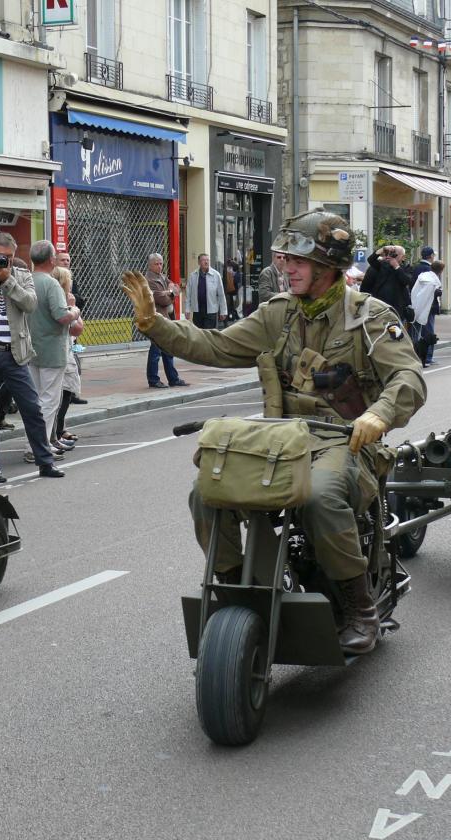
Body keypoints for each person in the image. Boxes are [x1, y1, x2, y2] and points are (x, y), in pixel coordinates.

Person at [121, 208, 426, 655]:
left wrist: (379, 414)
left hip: (346, 440)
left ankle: (359, 607)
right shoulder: (278, 314)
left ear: (327, 267)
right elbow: (217, 345)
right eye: (284, 259)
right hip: (282, 439)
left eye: (298, 261)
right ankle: (233, 589)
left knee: (320, 495)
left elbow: (409, 378)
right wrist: (155, 325)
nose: (286, 268)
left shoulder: (370, 317)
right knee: (206, 491)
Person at [0, 233, 65, 482]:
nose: (3, 261)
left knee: (32, 409)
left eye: (8, 257)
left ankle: (45, 461)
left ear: (15, 255)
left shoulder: (22, 276)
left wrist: (7, 281)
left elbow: (30, 304)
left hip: (15, 355)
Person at [25, 241, 81, 461]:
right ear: (51, 260)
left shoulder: (27, 280)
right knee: (49, 401)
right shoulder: (51, 284)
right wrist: (74, 310)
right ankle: (38, 447)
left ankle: (36, 444)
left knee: (35, 400)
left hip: (31, 348)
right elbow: (62, 316)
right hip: (51, 349)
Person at [145, 252, 186, 388]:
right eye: (156, 264)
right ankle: (153, 380)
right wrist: (170, 293)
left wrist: (170, 291)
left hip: (166, 318)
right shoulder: (149, 280)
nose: (159, 266)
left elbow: (176, 287)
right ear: (150, 265)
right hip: (156, 318)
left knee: (168, 350)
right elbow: (160, 299)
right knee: (156, 351)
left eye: (161, 263)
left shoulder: (162, 277)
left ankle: (173, 379)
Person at [53, 266, 83, 446]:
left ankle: (58, 430)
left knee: (63, 393)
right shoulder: (62, 300)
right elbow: (77, 327)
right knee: (62, 394)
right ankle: (55, 434)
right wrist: (73, 308)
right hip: (61, 351)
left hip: (65, 349)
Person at [361, 245, 413, 319]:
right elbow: (370, 260)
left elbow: (406, 280)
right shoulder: (383, 265)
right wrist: (383, 249)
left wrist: (396, 266)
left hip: (396, 307)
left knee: (395, 329)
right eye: (391, 253)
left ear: (403, 257)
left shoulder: (406, 268)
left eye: (395, 254)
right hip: (380, 305)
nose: (391, 256)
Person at [410, 260, 442, 366]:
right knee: (427, 334)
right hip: (426, 310)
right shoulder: (431, 283)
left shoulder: (423, 277)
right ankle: (426, 358)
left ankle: (419, 357)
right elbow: (424, 298)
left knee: (417, 335)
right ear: (441, 271)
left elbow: (417, 295)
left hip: (418, 309)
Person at [184, 254, 225, 329]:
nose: (206, 262)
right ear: (199, 262)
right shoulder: (193, 275)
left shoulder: (216, 275)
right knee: (198, 333)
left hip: (211, 310)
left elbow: (221, 295)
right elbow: (188, 294)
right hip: (197, 310)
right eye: (203, 260)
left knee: (208, 334)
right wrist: (187, 309)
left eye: (207, 260)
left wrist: (223, 311)